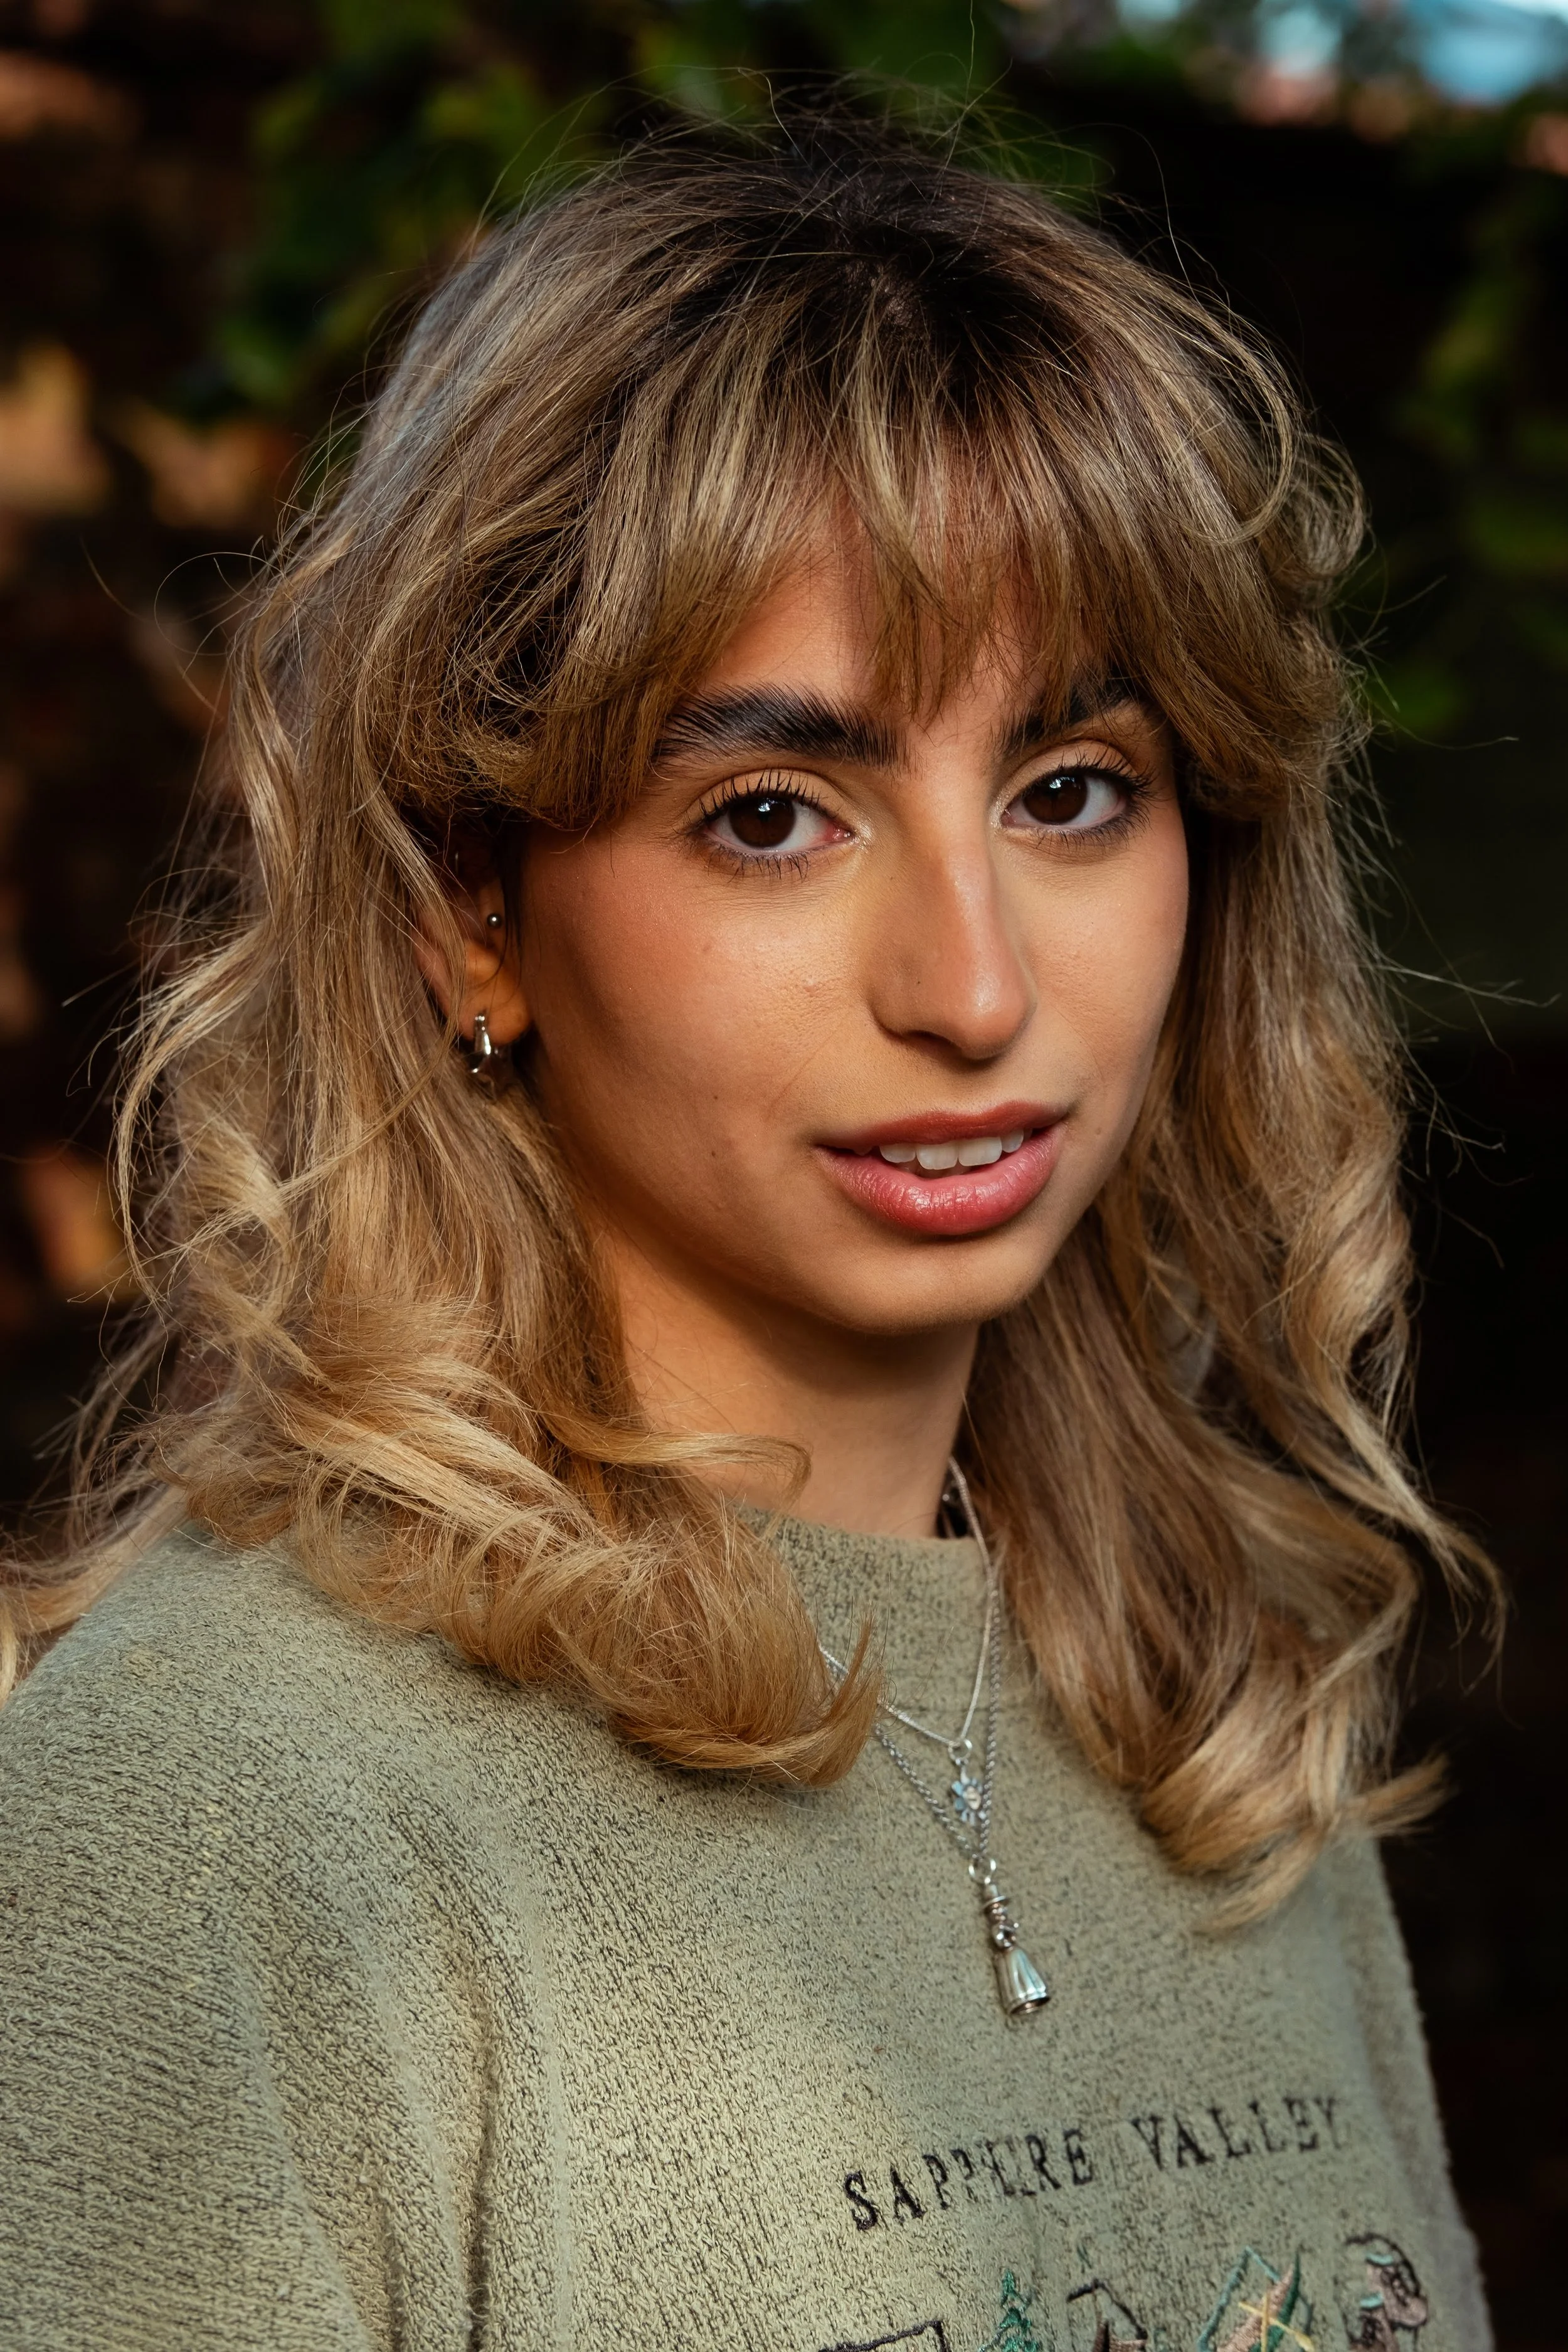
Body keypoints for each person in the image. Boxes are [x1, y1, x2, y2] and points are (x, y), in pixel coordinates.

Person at [0, 111, 1491, 2352]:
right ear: (466, 909)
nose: (973, 988)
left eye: (1069, 789)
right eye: (773, 815)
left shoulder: (1215, 1721)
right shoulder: (219, 1793)